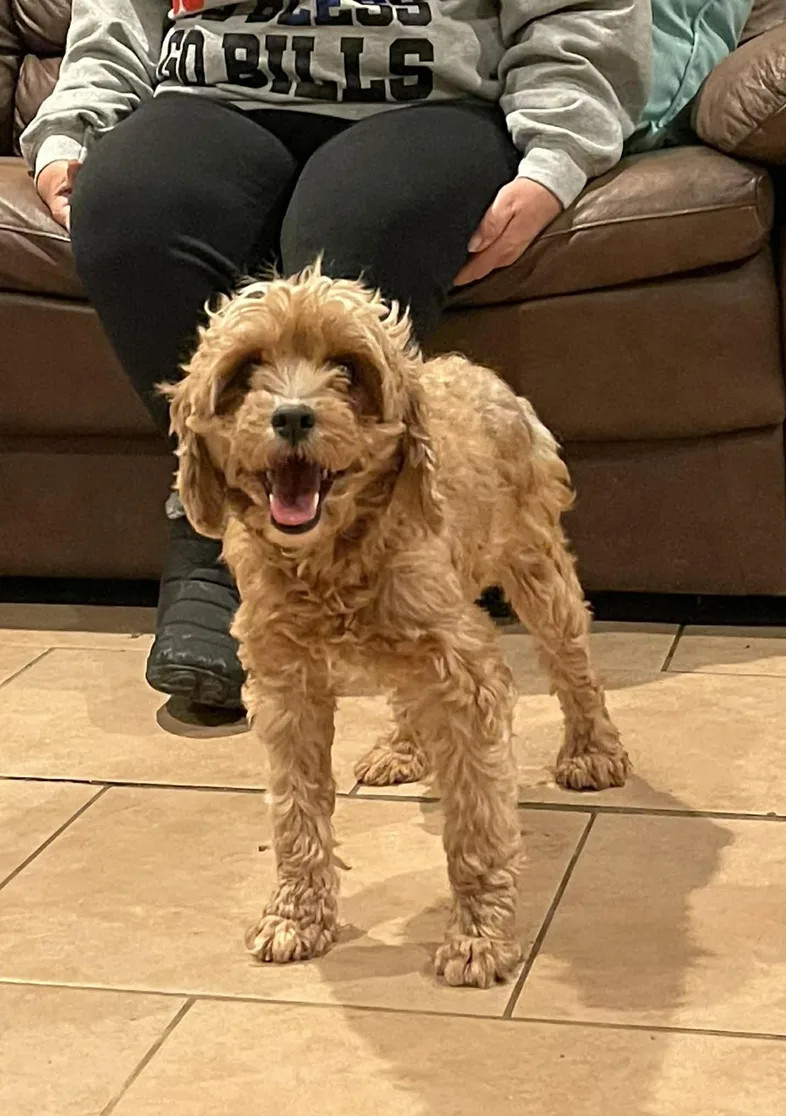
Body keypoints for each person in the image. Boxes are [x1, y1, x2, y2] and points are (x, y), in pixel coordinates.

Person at [22, 0, 651, 710]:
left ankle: (381, 555)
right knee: (125, 207)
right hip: (210, 94)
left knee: (357, 238)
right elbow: (116, 16)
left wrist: (557, 156)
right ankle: (219, 536)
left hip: (430, 99)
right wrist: (71, 135)